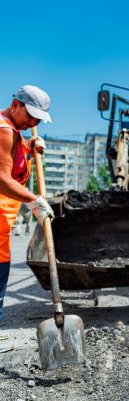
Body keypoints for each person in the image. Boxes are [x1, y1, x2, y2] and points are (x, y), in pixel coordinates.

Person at [0, 85, 55, 323]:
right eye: (31, 115)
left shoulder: (12, 130)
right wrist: (34, 201)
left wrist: (29, 150)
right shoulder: (5, 131)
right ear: (15, 105)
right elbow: (2, 179)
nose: (34, 122)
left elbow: (12, 163)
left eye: (39, 119)